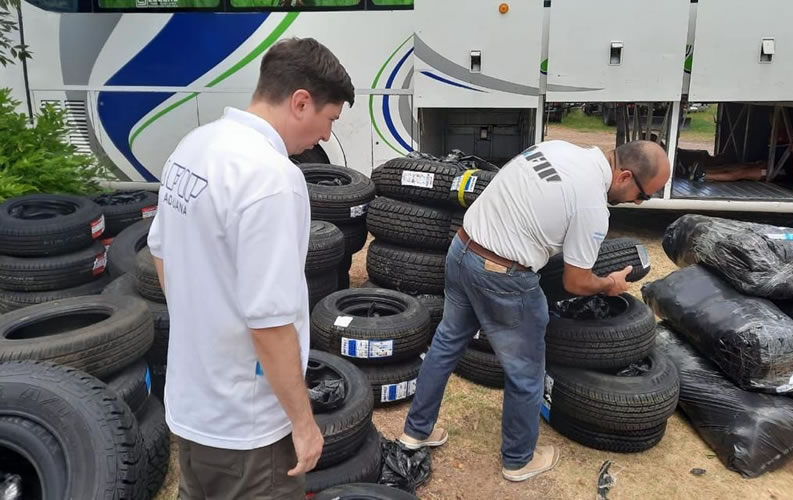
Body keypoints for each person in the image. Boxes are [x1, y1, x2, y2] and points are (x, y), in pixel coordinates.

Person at [146, 38, 354, 499]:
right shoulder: (273, 179)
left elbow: (161, 252)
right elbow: (270, 322)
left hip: (192, 405)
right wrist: (303, 424)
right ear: (301, 102)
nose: (325, 136)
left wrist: (204, 327)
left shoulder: (195, 146)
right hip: (250, 428)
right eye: (330, 119)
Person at [398, 140, 671, 482]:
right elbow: (576, 282)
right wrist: (609, 284)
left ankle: (416, 432)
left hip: (463, 248)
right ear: (625, 176)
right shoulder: (592, 205)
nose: (639, 202)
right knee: (526, 371)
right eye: (642, 194)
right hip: (503, 274)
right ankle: (518, 460)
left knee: (446, 342)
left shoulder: (557, 148)